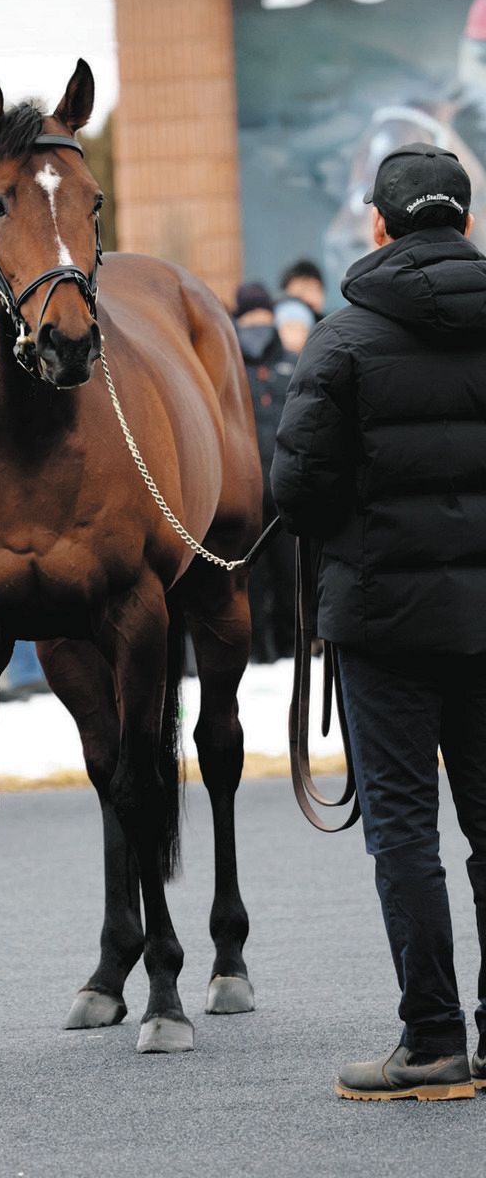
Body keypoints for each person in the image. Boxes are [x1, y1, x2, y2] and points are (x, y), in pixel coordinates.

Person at [271, 143, 486, 1102]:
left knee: (403, 832)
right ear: (467, 223)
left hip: (385, 621)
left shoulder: (342, 337)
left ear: (379, 225)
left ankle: (434, 1042)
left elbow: (297, 489)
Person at [232, 282, 296, 664]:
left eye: (262, 314)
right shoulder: (229, 367)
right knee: (251, 581)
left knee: (291, 575)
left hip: (288, 490)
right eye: (250, 316)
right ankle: (257, 651)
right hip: (246, 496)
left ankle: (293, 644)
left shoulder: (291, 362)